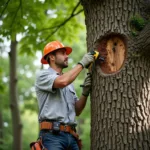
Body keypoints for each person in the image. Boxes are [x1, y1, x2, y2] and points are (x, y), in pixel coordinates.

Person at [35, 40, 94, 150]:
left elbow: (77, 110)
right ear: (52, 57)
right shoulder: (43, 76)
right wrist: (82, 64)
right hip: (52, 137)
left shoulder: (68, 82)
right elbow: (62, 82)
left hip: (71, 137)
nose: (67, 56)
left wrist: (85, 93)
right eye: (63, 53)